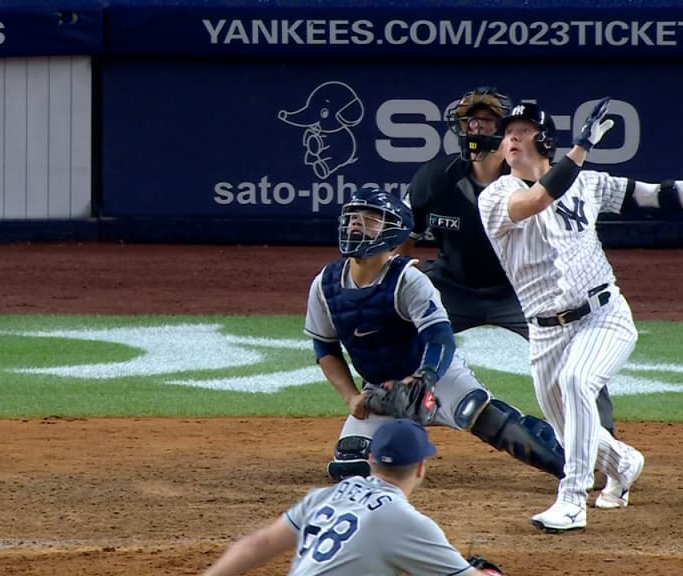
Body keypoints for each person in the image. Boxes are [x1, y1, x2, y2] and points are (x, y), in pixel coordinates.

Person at [477, 97, 683, 532]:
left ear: (545, 139)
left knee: (578, 383)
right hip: (545, 333)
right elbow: (534, 201)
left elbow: (655, 196)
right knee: (565, 425)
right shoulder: (496, 196)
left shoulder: (588, 184)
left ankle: (572, 501)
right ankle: (624, 462)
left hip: (602, 314)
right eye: (508, 132)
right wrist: (580, 149)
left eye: (523, 129)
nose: (511, 137)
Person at [304, 186, 566, 483]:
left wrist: (424, 379)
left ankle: (575, 463)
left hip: (435, 377)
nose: (356, 224)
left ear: (393, 233)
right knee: (350, 467)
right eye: (353, 217)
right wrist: (351, 397)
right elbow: (325, 348)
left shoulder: (409, 280)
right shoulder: (325, 285)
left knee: (479, 414)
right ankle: (406, 451)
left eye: (370, 219)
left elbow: (440, 338)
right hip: (381, 391)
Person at [399, 86, 619, 437]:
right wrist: (406, 274)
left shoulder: (523, 179)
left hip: (518, 292)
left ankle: (601, 435)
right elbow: (402, 235)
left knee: (573, 345)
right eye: (470, 121)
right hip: (452, 285)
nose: (476, 129)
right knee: (398, 330)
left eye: (488, 122)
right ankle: (386, 424)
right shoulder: (435, 178)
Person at [199, 418, 504, 576]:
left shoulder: (326, 495)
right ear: (421, 466)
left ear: (370, 457)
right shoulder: (405, 522)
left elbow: (258, 544)